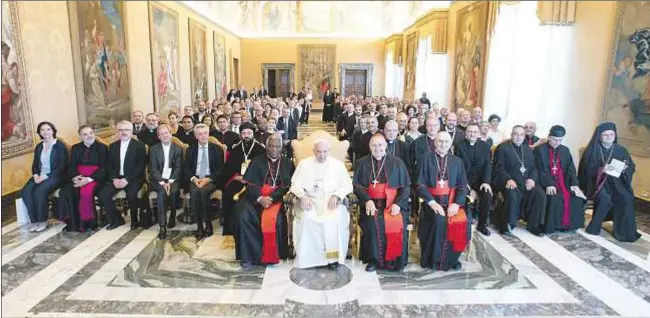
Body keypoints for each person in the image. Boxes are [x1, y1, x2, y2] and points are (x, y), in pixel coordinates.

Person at [290, 139, 353, 269]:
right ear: (314, 151)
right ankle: (310, 259)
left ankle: (332, 258)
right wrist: (303, 196)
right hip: (310, 200)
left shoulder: (338, 165)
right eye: (319, 152)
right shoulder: (304, 164)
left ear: (329, 151)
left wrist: (337, 195)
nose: (322, 155)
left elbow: (347, 185)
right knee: (307, 219)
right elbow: (294, 185)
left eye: (325, 152)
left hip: (331, 201)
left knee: (333, 221)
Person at [234, 135, 294, 268]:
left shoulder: (287, 163)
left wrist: (272, 198)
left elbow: (288, 186)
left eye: (277, 146)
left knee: (277, 220)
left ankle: (272, 255)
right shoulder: (257, 161)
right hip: (256, 196)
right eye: (271, 146)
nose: (274, 149)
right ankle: (247, 256)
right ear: (266, 146)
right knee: (242, 214)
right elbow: (249, 184)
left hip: (276, 198)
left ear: (281, 148)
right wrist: (260, 198)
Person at [354, 135, 411, 271]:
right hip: (371, 204)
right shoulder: (362, 163)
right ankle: (373, 260)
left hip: (393, 205)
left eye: (380, 145)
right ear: (370, 147)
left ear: (385, 146)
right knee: (372, 224)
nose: (377, 149)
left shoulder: (397, 163)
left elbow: (406, 187)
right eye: (374, 145)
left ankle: (394, 261)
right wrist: (367, 200)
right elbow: (357, 186)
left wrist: (398, 204)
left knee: (395, 223)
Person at [414, 131, 470, 271]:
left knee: (461, 222)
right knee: (439, 221)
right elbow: (419, 184)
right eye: (440, 141)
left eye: (446, 141)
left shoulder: (457, 161)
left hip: (452, 202)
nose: (443, 144)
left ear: (450, 143)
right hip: (431, 203)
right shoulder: (424, 159)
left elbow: (462, 186)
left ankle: (451, 259)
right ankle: (433, 260)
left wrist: (456, 204)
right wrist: (432, 202)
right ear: (434, 142)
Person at [578, 122, 640, 242]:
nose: (609, 137)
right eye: (605, 135)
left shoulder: (621, 150)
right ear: (599, 136)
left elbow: (631, 166)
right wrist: (601, 170)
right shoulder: (592, 150)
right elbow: (584, 171)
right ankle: (594, 227)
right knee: (605, 198)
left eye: (611, 134)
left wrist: (625, 169)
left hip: (616, 183)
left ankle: (624, 233)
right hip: (596, 185)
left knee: (626, 198)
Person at [493, 125, 546, 236]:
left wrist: (531, 179)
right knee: (511, 193)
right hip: (508, 181)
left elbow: (534, 168)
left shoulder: (527, 149)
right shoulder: (502, 148)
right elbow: (498, 168)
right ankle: (506, 224)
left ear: (524, 136)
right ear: (511, 135)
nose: (518, 137)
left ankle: (533, 225)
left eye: (521, 134)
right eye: (516, 134)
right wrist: (508, 179)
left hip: (526, 181)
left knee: (539, 194)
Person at [534, 125, 587, 234]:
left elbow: (571, 169)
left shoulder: (565, 150)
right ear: (549, 137)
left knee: (575, 197)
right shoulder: (539, 150)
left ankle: (568, 225)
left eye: (560, 140)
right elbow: (539, 170)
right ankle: (554, 226)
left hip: (564, 181)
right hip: (545, 181)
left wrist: (574, 184)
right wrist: (548, 184)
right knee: (555, 197)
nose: (557, 143)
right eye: (554, 140)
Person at [217, 122, 266, 236]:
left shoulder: (260, 149)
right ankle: (230, 226)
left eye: (249, 133)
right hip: (238, 180)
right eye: (244, 133)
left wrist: (250, 178)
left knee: (255, 195)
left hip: (254, 182)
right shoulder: (236, 149)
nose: (246, 135)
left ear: (253, 134)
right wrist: (237, 177)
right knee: (228, 193)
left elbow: (263, 169)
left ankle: (254, 225)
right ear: (240, 135)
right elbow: (228, 168)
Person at [57, 125, 107, 232]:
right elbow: (72, 166)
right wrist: (75, 177)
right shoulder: (76, 148)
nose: (89, 136)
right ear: (80, 136)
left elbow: (104, 168)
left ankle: (88, 223)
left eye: (91, 133)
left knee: (85, 193)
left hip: (95, 179)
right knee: (66, 192)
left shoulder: (102, 148)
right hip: (79, 177)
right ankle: (72, 223)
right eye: (85, 134)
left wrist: (88, 180)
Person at [100, 121, 147, 230]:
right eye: (121, 130)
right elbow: (109, 165)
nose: (124, 132)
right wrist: (114, 178)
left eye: (127, 130)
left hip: (133, 178)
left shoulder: (140, 146)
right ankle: (117, 219)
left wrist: (127, 179)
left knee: (131, 194)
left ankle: (135, 220)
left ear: (132, 131)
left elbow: (140, 166)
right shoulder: (112, 146)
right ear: (117, 131)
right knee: (104, 194)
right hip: (116, 178)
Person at [22, 122, 68, 232]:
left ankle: (42, 220)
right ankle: (34, 220)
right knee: (26, 191)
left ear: (53, 131)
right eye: (42, 130)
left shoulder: (59, 146)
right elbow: (35, 165)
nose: (45, 132)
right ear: (39, 132)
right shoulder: (39, 147)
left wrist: (46, 177)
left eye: (48, 129)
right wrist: (36, 175)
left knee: (40, 191)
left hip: (56, 176)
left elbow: (62, 166)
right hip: (40, 175)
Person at [184, 124, 225, 240]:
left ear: (208, 134)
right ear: (196, 136)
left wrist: (208, 179)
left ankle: (208, 223)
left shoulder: (217, 149)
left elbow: (221, 169)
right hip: (195, 178)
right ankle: (199, 226)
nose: (203, 136)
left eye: (205, 133)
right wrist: (193, 179)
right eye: (200, 134)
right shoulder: (190, 149)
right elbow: (186, 168)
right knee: (194, 192)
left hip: (211, 179)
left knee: (203, 192)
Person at [454, 123, 492, 236]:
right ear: (465, 134)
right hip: (464, 180)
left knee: (487, 195)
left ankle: (482, 225)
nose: (472, 134)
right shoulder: (459, 145)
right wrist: (465, 184)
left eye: (475, 132)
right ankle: (465, 225)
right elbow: (458, 167)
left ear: (479, 133)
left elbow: (488, 165)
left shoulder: (485, 146)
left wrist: (486, 182)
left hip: (480, 181)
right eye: (470, 131)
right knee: (464, 196)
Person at [149, 124, 183, 239]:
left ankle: (173, 216)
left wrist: (170, 181)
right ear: (158, 136)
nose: (164, 135)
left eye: (166, 133)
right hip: (159, 180)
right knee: (161, 194)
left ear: (171, 134)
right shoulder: (153, 149)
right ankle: (162, 226)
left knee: (173, 192)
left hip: (173, 179)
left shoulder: (178, 149)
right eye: (161, 134)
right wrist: (163, 182)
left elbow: (178, 167)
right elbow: (152, 169)